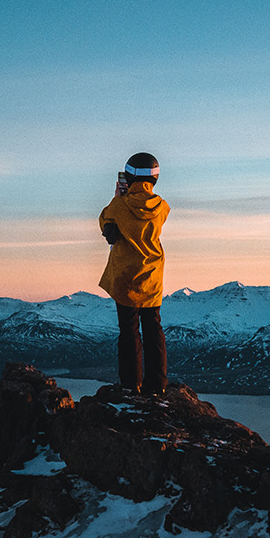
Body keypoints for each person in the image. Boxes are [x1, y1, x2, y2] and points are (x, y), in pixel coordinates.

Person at [98, 152, 170, 396]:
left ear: (128, 177)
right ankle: (157, 385)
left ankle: (130, 384)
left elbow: (104, 219)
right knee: (153, 327)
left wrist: (117, 197)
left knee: (129, 330)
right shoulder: (162, 207)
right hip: (151, 274)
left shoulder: (121, 205)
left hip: (126, 277)